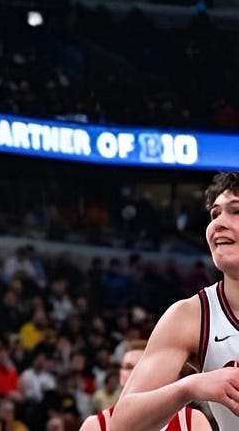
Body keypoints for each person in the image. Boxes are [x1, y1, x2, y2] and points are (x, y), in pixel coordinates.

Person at [107, 173, 239, 430]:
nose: (218, 223)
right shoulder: (191, 316)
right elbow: (121, 425)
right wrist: (188, 387)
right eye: (214, 214)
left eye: (235, 211)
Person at [80, 340, 209, 430]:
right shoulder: (96, 425)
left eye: (140, 367)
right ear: (120, 375)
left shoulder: (191, 420)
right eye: (128, 367)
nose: (133, 373)